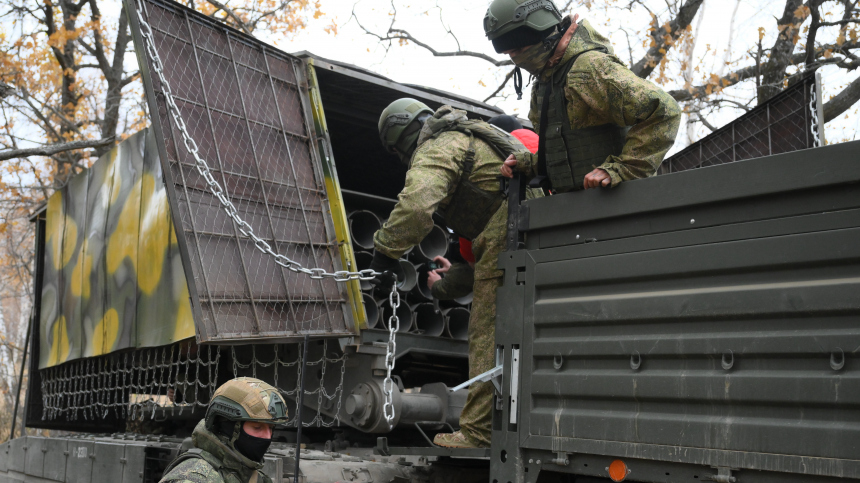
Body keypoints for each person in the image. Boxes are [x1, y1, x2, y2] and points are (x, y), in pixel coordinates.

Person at [369, 99, 526, 449]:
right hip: (515, 231)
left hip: (508, 230)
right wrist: (446, 284)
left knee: (488, 333)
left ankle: (478, 433)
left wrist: (385, 252)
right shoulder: (462, 137)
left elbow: (415, 205)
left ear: (399, 138)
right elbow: (476, 271)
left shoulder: (437, 147)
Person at [484, 0, 681, 191]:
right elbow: (575, 150)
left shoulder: (589, 68)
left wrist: (625, 169)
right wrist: (529, 164)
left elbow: (665, 109)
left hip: (623, 207)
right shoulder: (547, 81)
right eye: (509, 54)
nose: (516, 59)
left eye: (518, 49)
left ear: (541, 34)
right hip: (580, 210)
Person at [159, 377, 289, 483]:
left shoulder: (248, 473)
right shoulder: (194, 478)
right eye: (257, 427)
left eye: (271, 428)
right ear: (229, 428)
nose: (267, 436)